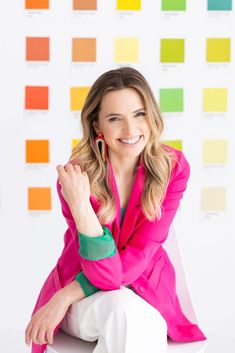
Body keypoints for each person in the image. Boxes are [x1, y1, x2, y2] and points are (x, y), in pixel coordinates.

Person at [25, 67, 206, 353]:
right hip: (85, 304)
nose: (131, 130)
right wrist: (82, 206)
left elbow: (140, 255)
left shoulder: (173, 168)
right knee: (124, 312)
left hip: (140, 292)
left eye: (139, 114)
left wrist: (64, 296)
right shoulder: (77, 178)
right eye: (114, 119)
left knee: (131, 318)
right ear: (98, 126)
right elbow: (106, 277)